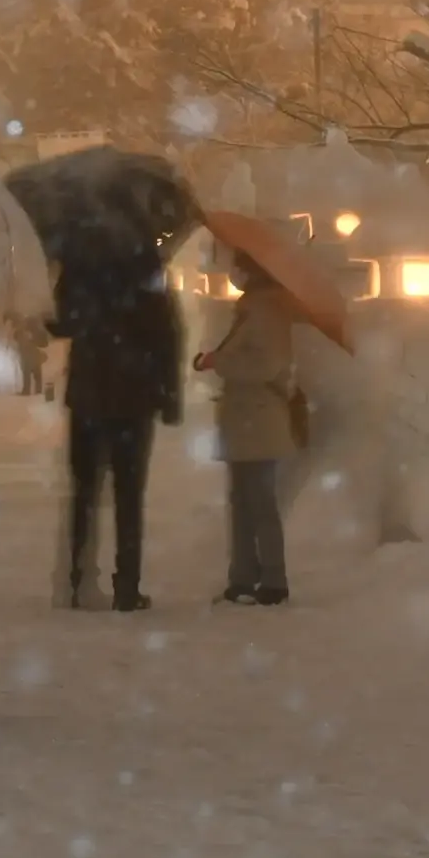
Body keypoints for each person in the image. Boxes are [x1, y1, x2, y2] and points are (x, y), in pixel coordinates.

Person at [47, 225, 183, 614]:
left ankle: (76, 579)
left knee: (84, 493)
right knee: (128, 497)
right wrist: (169, 397)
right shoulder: (146, 268)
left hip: (90, 393)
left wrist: (59, 288)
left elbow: (59, 325)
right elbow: (168, 335)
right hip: (134, 397)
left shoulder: (78, 268)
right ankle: (127, 587)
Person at [194, 254, 295, 608]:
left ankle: (270, 578)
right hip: (248, 422)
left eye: (239, 267)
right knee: (244, 503)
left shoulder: (265, 312)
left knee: (259, 504)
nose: (232, 274)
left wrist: (219, 362)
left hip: (259, 421)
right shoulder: (252, 309)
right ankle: (244, 577)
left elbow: (265, 365)